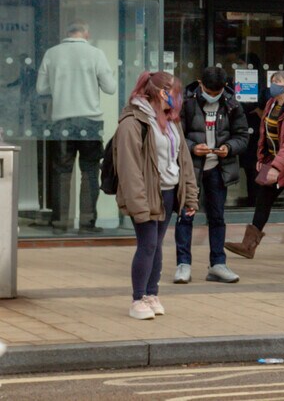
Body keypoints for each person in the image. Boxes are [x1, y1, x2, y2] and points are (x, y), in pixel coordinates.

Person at [112, 71, 197, 320]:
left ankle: (151, 294)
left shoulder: (171, 121)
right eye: (174, 92)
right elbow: (129, 168)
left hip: (169, 192)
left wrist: (190, 196)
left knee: (157, 245)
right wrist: (138, 205)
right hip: (147, 193)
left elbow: (184, 160)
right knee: (147, 244)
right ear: (160, 92)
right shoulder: (132, 122)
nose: (178, 98)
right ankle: (138, 299)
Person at [227, 71, 284, 261]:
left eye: (278, 81)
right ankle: (248, 246)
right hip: (275, 161)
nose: (273, 84)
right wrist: (263, 157)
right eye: (272, 80)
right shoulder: (272, 104)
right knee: (263, 201)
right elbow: (265, 133)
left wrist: (276, 168)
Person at [37, 22, 117, 232]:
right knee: (89, 171)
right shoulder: (95, 54)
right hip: (90, 121)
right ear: (86, 33)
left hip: (61, 120)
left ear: (67, 33)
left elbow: (41, 88)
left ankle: (60, 223)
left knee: (62, 172)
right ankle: (87, 223)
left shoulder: (52, 53)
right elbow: (110, 88)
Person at [174, 65, 248, 285]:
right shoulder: (185, 102)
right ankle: (183, 264)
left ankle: (218, 264)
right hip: (191, 169)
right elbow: (175, 135)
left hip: (218, 167)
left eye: (217, 93)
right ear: (200, 83)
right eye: (208, 91)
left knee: (217, 218)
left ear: (224, 87)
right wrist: (193, 147)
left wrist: (229, 148)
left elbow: (242, 136)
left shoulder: (232, 104)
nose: (212, 96)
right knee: (185, 215)